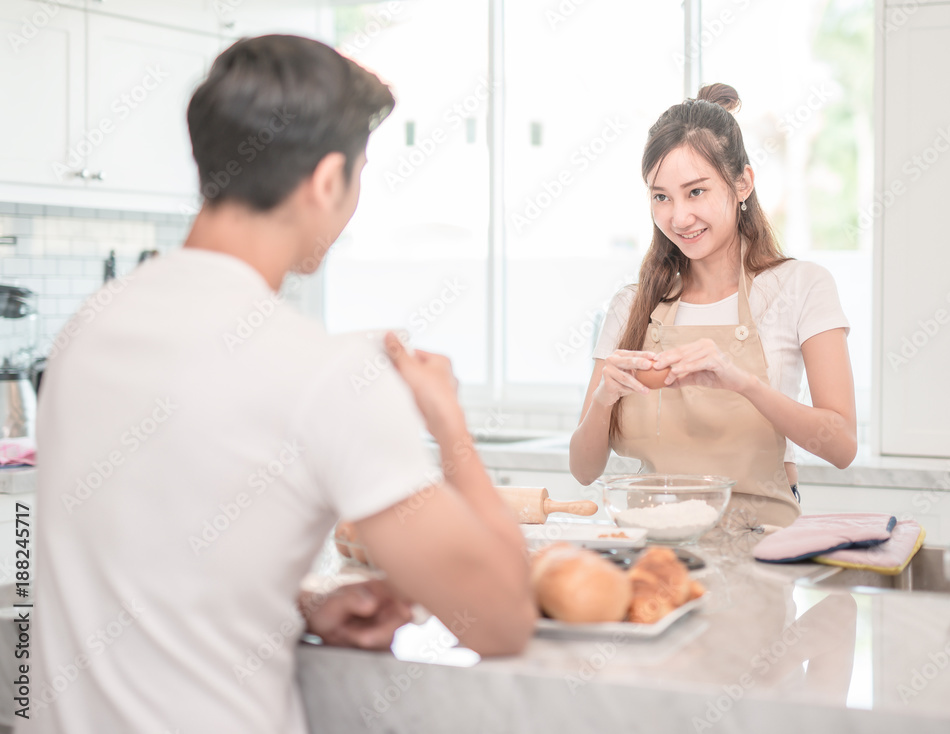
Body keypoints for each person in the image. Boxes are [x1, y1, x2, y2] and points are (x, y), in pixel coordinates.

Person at [28, 35, 535, 734]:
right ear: (328, 181)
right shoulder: (326, 374)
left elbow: (140, 558)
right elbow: (502, 618)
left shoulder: (85, 331)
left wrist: (296, 608)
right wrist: (449, 423)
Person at [569, 83, 857, 530]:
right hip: (655, 551)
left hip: (758, 550)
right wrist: (604, 399)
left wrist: (743, 384)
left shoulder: (800, 287)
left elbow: (841, 446)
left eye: (696, 191)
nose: (678, 217)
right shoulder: (633, 304)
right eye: (661, 196)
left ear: (742, 182)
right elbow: (584, 470)